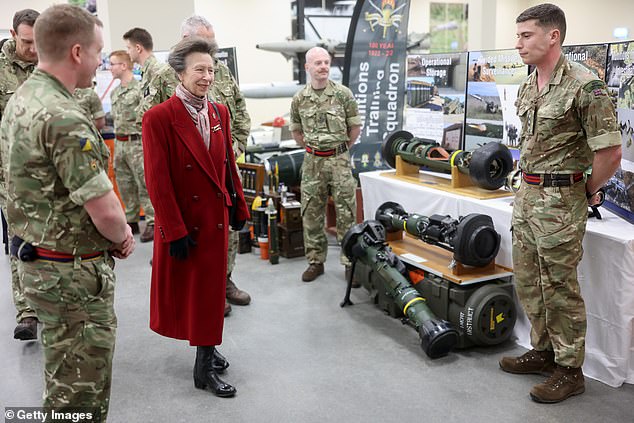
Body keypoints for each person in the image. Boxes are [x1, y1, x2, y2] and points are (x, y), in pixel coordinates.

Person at [0, 4, 135, 420]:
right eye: (97, 51)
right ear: (77, 52)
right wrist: (123, 235)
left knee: (63, 381)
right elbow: (104, 207)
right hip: (71, 276)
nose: (100, 60)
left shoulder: (25, 96)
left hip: (41, 263)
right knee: (80, 395)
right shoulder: (63, 116)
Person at [499, 3, 622, 404]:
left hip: (561, 202)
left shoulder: (586, 87)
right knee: (529, 281)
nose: (518, 44)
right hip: (528, 197)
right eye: (518, 36)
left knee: (560, 287)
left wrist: (586, 190)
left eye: (526, 35)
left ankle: (569, 371)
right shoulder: (527, 84)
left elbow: (610, 153)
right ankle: (543, 351)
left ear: (553, 36)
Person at [142, 36, 249, 398]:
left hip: (215, 216)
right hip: (185, 222)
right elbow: (157, 180)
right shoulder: (158, 118)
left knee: (211, 291)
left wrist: (238, 205)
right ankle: (203, 370)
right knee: (198, 293)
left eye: (211, 70)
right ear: (180, 73)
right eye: (199, 70)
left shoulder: (220, 112)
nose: (207, 77)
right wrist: (173, 229)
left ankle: (209, 349)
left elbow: (226, 164)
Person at [290, 46, 361, 282]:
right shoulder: (300, 98)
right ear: (307, 67)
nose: (323, 67)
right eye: (317, 63)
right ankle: (315, 261)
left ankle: (349, 262)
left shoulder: (343, 94)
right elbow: (297, 131)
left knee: (346, 212)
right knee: (311, 212)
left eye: (326, 62)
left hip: (339, 160)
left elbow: (355, 128)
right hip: (312, 162)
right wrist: (313, 149)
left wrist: (339, 149)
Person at [0, 8, 39, 341]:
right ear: (13, 35)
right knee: (19, 239)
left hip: (51, 173)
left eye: (37, 41)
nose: (33, 48)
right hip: (10, 176)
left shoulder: (49, 64)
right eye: (27, 42)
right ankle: (27, 313)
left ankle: (52, 306)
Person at [109, 49, 155, 237]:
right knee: (124, 184)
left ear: (123, 65)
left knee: (145, 184)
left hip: (137, 143)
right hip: (120, 143)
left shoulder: (139, 89)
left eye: (112, 64)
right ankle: (132, 220)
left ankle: (152, 221)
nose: (110, 68)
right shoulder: (115, 92)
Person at [122, 26, 161, 242]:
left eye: (128, 48)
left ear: (138, 48)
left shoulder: (159, 71)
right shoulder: (146, 72)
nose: (127, 52)